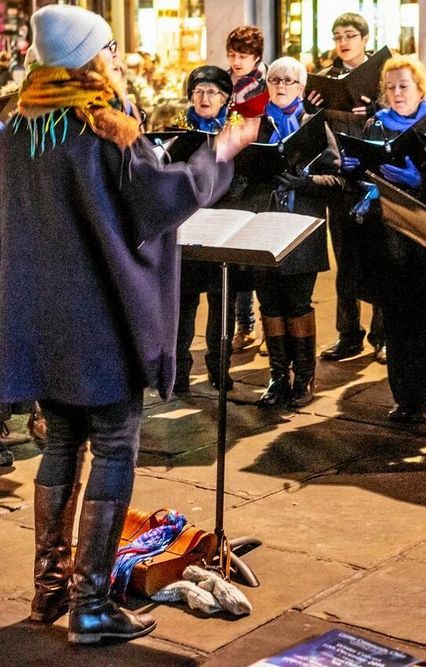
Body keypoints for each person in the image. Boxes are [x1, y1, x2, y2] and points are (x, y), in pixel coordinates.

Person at [0, 4, 250, 644]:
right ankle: (91, 606)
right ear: (88, 59)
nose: (115, 59)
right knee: (114, 444)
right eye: (108, 49)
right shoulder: (105, 128)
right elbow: (161, 198)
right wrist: (219, 153)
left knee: (61, 442)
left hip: (42, 323)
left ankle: (51, 592)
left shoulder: (15, 128)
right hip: (100, 317)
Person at [348, 55, 426, 423]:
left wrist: (422, 182)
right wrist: (355, 172)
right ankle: (403, 397)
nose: (397, 93)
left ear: (420, 88)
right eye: (391, 87)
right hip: (388, 233)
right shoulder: (375, 125)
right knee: (396, 317)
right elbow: (364, 174)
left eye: (404, 86)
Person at [239, 57, 331, 409]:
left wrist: (305, 181)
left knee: (297, 303)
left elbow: (337, 178)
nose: (280, 85)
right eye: (274, 79)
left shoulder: (313, 125)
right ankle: (278, 376)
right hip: (262, 228)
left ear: (301, 88)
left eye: (288, 80)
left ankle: (304, 377)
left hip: (300, 229)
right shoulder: (254, 124)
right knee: (269, 302)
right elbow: (237, 172)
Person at [170, 65, 245, 394]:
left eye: (212, 92)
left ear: (225, 98)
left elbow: (247, 175)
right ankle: (179, 372)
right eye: (198, 91)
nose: (204, 97)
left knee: (222, 302)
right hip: (187, 228)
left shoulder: (236, 133)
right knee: (183, 306)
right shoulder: (178, 133)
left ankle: (219, 368)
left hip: (224, 229)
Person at [316, 12, 386, 364]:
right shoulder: (326, 78)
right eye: (337, 36)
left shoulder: (381, 77)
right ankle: (348, 334)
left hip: (374, 178)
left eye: (349, 35)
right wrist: (313, 108)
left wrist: (376, 108)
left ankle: (382, 336)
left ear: (364, 39)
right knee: (345, 261)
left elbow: (396, 116)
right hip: (341, 179)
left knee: (378, 257)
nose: (343, 42)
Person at [226, 25, 269, 351]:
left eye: (242, 55)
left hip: (256, 176)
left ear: (256, 57)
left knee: (258, 256)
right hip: (230, 174)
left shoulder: (265, 84)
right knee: (235, 257)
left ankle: (267, 326)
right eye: (232, 55)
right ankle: (244, 324)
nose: (236, 61)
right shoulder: (224, 82)